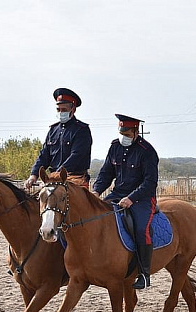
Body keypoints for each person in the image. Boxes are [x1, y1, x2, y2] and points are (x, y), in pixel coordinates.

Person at [92, 114, 159, 290]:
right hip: (117, 194)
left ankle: (144, 274)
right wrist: (96, 191)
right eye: (121, 132)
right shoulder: (115, 146)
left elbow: (150, 182)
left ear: (136, 131)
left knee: (140, 228)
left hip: (142, 199)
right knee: (96, 218)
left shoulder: (147, 151)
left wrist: (131, 198)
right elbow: (106, 172)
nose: (124, 136)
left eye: (127, 133)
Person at [25, 88, 92, 189]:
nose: (61, 112)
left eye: (64, 110)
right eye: (58, 109)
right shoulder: (53, 130)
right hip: (53, 180)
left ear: (73, 109)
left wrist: (58, 174)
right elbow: (44, 155)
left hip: (75, 180)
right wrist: (33, 175)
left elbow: (76, 156)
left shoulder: (82, 130)